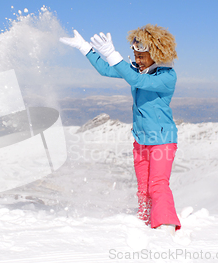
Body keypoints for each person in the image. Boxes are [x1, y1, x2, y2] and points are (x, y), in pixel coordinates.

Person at [60, 24, 181, 233]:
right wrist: (85, 48)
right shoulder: (138, 69)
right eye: (135, 54)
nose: (137, 59)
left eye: (141, 55)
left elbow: (136, 80)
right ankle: (145, 220)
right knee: (143, 187)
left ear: (156, 53)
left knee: (158, 184)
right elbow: (106, 69)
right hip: (141, 140)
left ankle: (165, 224)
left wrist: (112, 54)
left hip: (162, 141)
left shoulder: (166, 76)